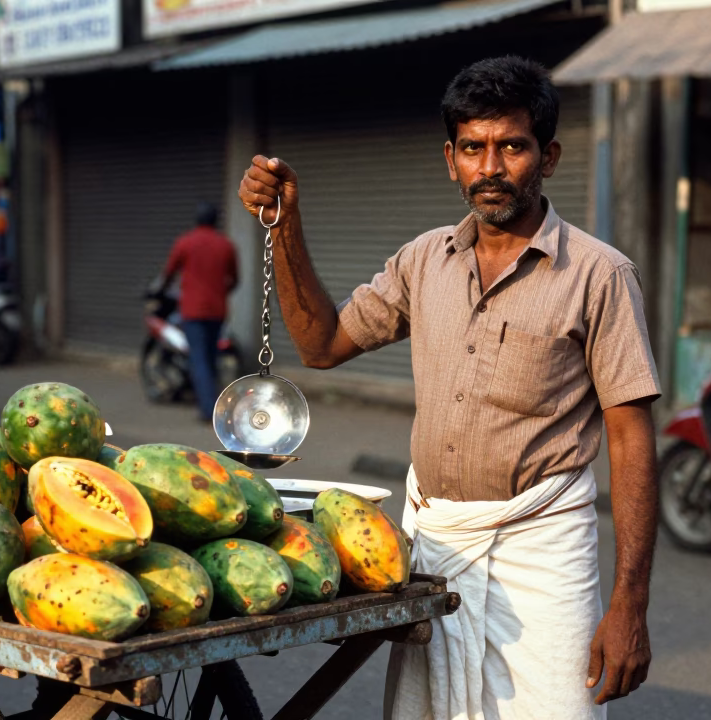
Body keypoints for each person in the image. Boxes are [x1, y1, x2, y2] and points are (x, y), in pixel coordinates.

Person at [239, 57, 659, 719]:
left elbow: (632, 441)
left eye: (511, 146)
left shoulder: (600, 275)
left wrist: (629, 604)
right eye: (473, 148)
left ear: (547, 157)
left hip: (542, 548)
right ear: (451, 159)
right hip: (436, 543)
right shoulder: (422, 260)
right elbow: (322, 346)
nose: (490, 166)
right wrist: (285, 224)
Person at [158, 202, 238, 422]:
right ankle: (216, 404)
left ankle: (207, 410)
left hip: (193, 311)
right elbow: (234, 279)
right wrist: (220, 292)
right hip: (217, 311)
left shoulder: (185, 242)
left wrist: (161, 289)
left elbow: (168, 273)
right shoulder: (226, 245)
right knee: (211, 359)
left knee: (199, 358)